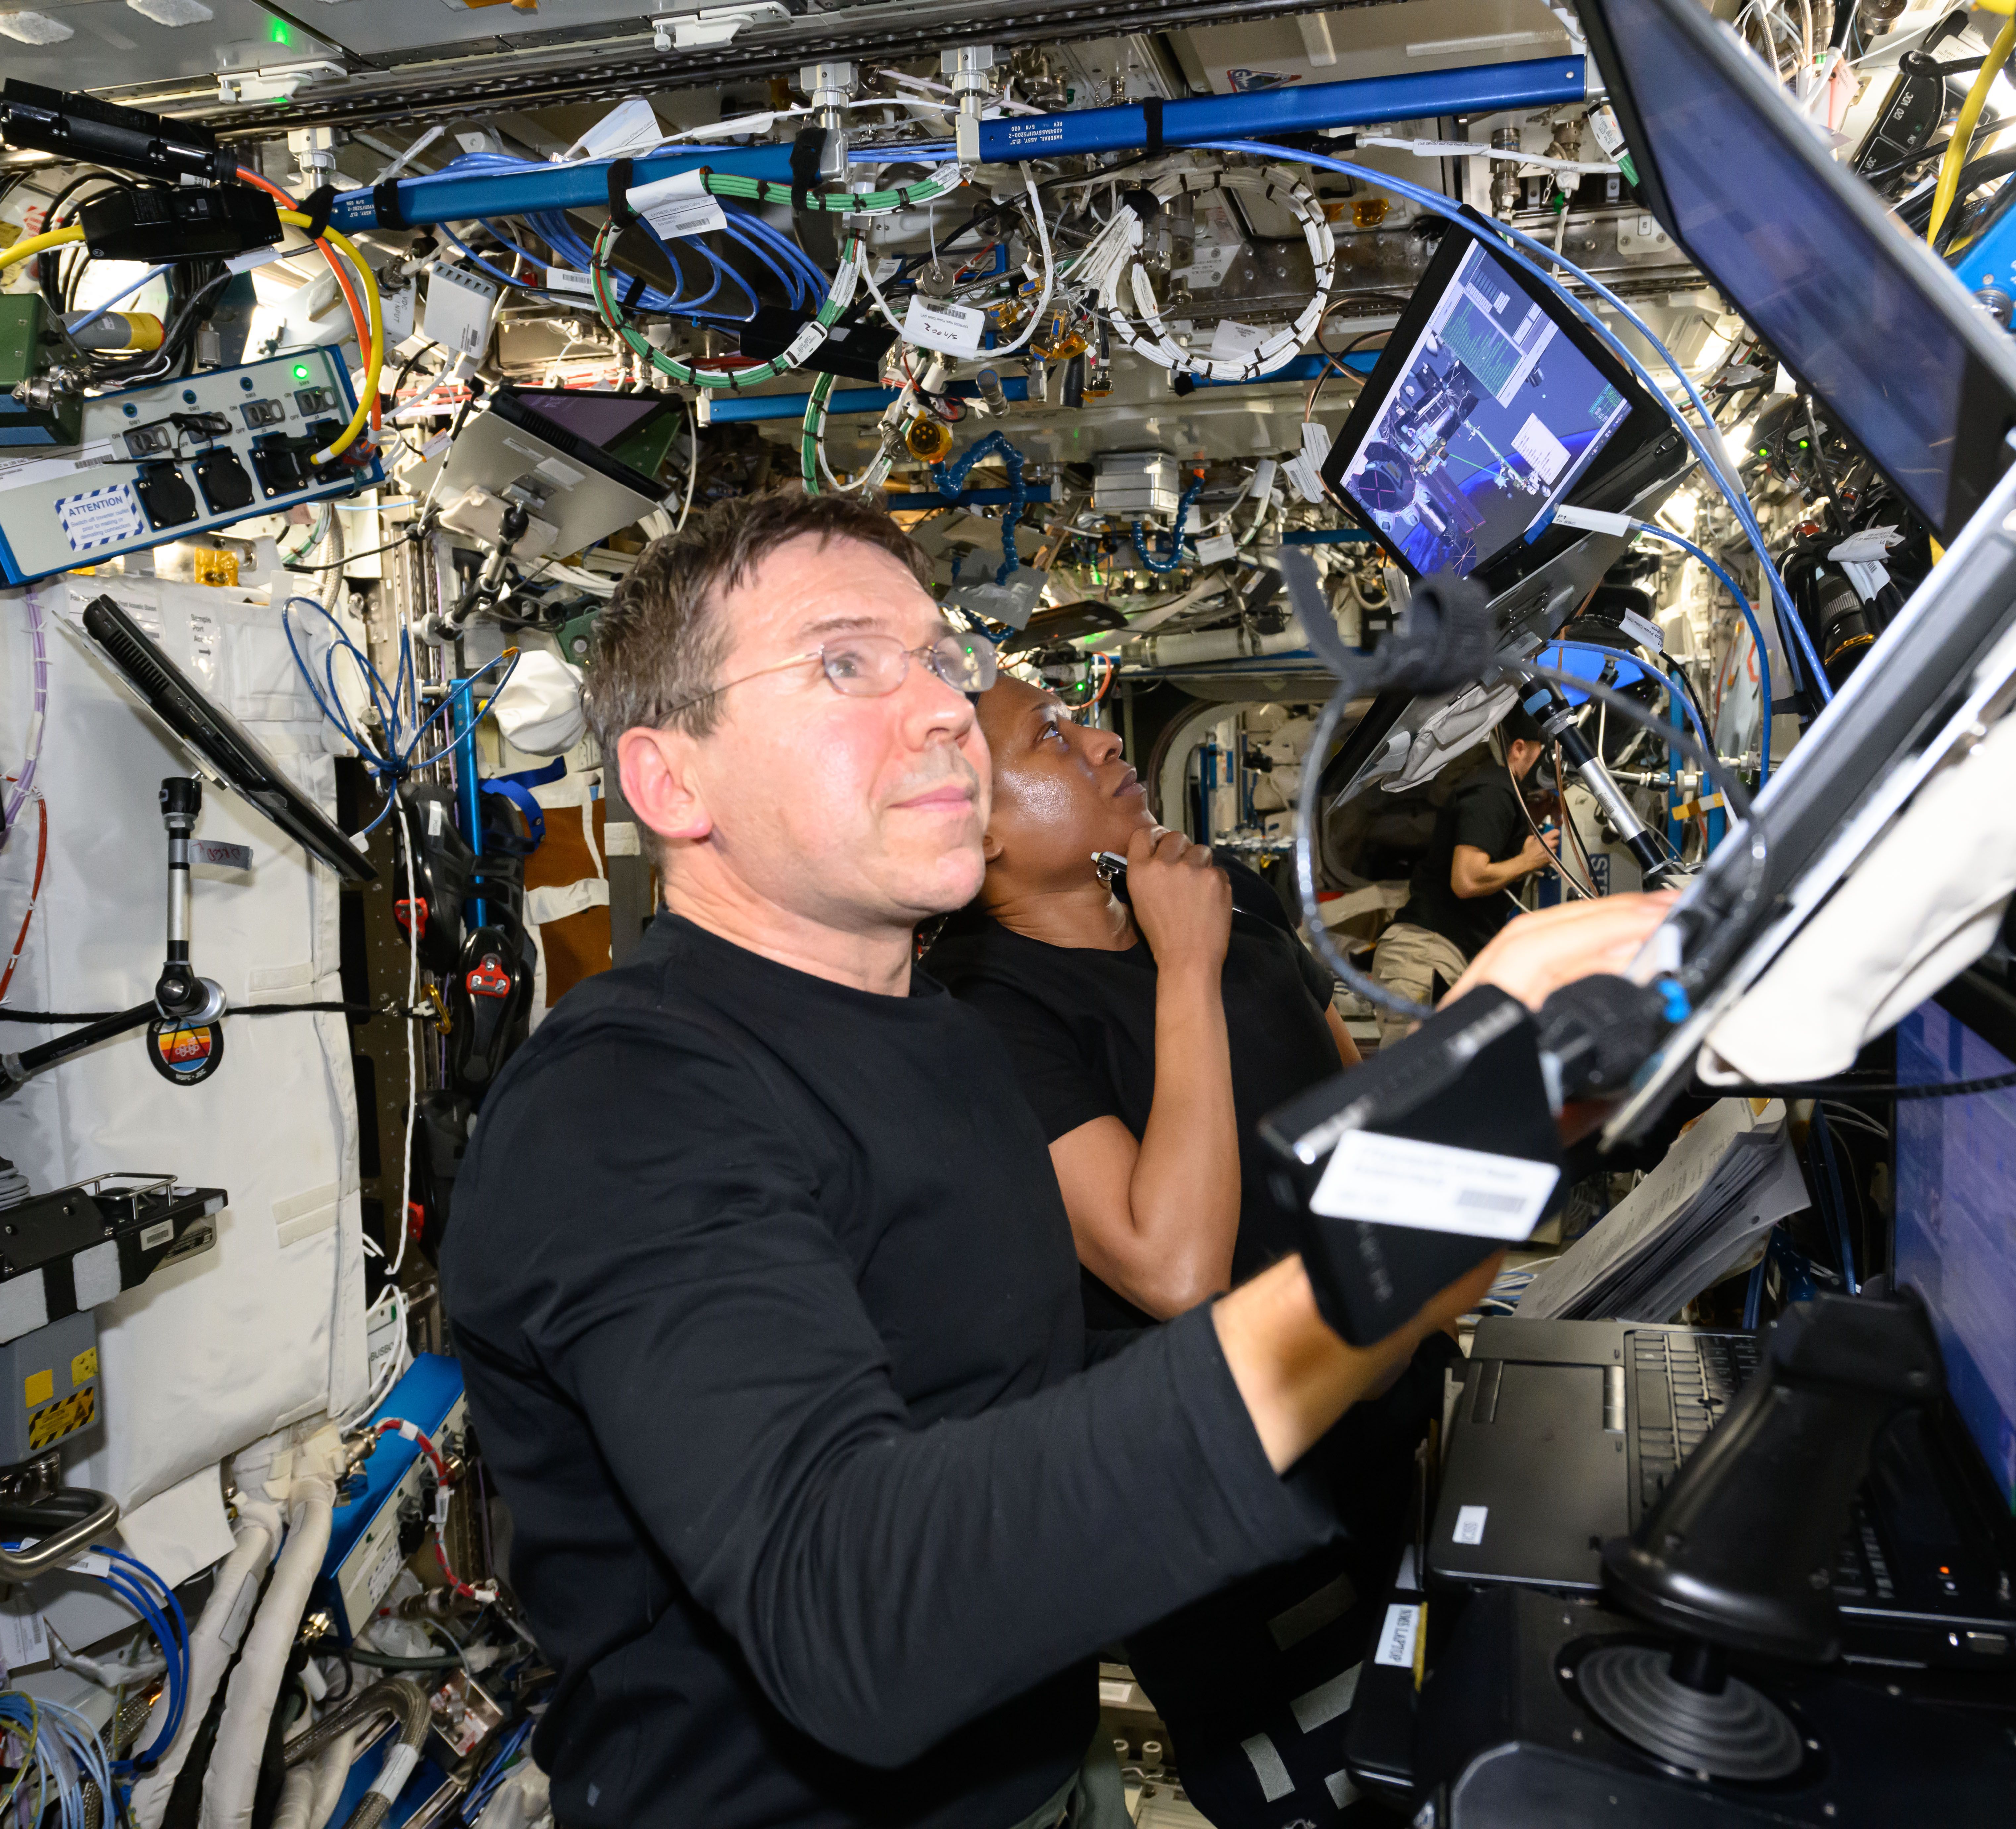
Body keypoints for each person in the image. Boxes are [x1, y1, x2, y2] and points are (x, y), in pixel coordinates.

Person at [441, 490, 1671, 1829]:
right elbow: (853, 1611)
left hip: (1040, 1764)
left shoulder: (939, 1034)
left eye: (943, 661)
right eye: (846, 663)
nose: (940, 710)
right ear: (671, 779)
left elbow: (1021, 1405)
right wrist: (1387, 1242)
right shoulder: (626, 1106)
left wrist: (1491, 1154)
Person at [919, 674, 1425, 1825]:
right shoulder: (987, 1013)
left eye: (1082, 718)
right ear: (976, 826)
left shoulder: (1225, 896)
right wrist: (1181, 966)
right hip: (1246, 1542)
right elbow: (1170, 1265)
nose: (1100, 741)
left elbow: (1354, 1105)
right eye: (1050, 737)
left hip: (1396, 1437)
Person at [1369, 706, 1557, 1044]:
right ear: (1518, 748)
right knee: (1412, 1084)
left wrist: (1536, 815)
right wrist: (1528, 861)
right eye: (1546, 754)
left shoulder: (1505, 799)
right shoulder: (1493, 793)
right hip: (1424, 956)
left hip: (1441, 957)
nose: (1553, 765)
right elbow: (1467, 880)